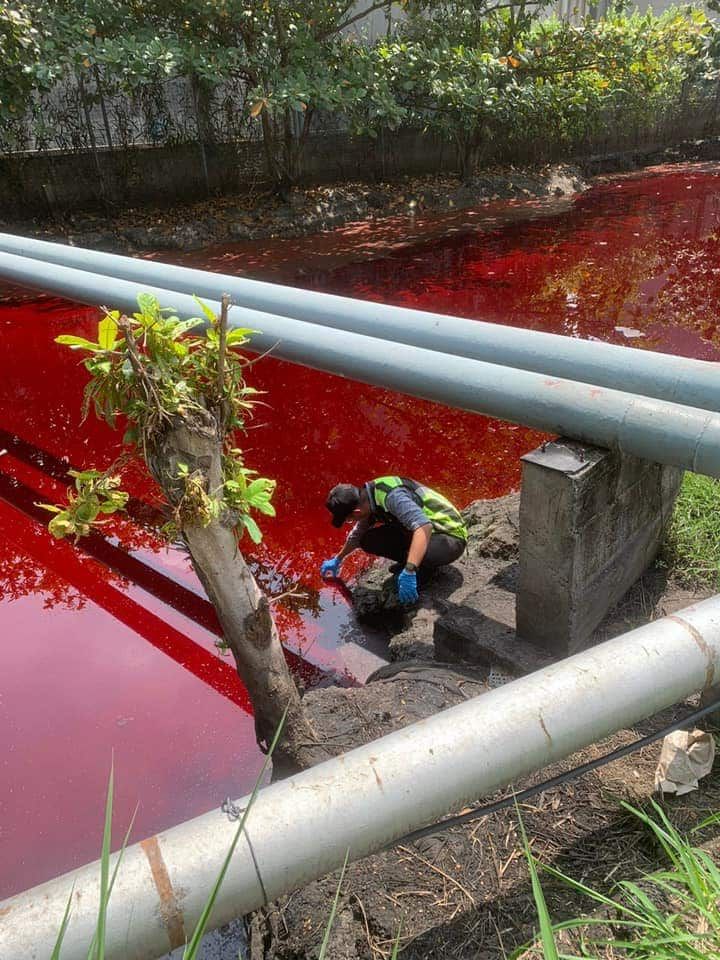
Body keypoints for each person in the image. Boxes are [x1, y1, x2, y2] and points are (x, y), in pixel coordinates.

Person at [320, 476, 467, 604]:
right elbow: (357, 535)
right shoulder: (367, 499)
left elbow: (423, 527)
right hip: (424, 531)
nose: (352, 522)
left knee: (422, 555)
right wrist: (338, 559)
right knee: (368, 539)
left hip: (449, 536)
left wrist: (409, 571)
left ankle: (420, 570)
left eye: (350, 519)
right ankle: (413, 562)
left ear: (357, 512)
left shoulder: (391, 497)